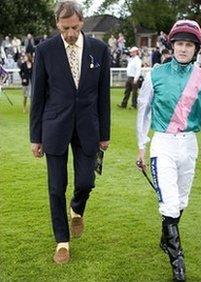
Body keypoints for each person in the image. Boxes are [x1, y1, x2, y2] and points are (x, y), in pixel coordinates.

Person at [136, 19, 201, 281]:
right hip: (163, 144)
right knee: (170, 203)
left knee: (181, 202)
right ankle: (178, 263)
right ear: (172, 45)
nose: (183, 49)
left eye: (189, 45)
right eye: (179, 44)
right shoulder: (155, 75)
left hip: (189, 145)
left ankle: (166, 238)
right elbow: (143, 111)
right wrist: (141, 145)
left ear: (196, 49)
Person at [30, 0, 110, 264]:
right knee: (56, 187)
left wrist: (105, 133)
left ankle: (77, 208)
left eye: (74, 27)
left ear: (82, 22)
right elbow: (38, 95)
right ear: (57, 24)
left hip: (88, 126)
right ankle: (62, 241)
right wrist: (35, 137)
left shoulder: (99, 50)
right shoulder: (44, 51)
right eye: (65, 29)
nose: (70, 34)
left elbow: (103, 96)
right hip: (54, 126)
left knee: (86, 181)